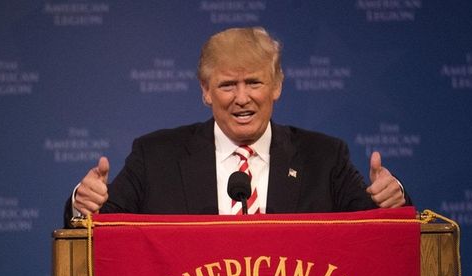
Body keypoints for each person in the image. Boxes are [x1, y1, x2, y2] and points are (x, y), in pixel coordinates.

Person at [65, 27, 409, 225]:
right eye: (228, 85)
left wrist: (393, 201)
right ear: (205, 91)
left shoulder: (325, 158)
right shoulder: (155, 156)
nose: (241, 98)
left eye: (254, 83)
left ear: (277, 86)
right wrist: (84, 204)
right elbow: (99, 232)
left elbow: (376, 233)